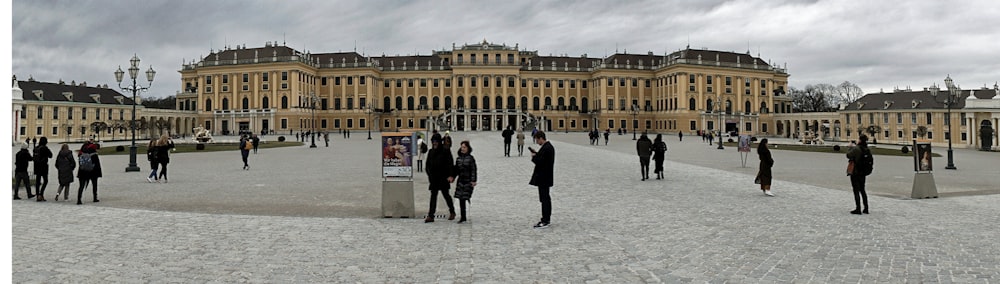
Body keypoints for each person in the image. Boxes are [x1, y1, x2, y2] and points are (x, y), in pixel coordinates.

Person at [424, 134, 456, 223]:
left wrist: (450, 175)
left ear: (439, 142)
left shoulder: (445, 151)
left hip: (443, 177)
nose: (434, 143)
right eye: (433, 142)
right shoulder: (431, 152)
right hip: (434, 178)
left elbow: (450, 164)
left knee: (446, 195)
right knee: (433, 196)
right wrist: (429, 175)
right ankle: (431, 215)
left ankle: (452, 211)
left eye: (436, 141)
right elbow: (427, 165)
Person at [529, 131, 555, 229]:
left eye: (537, 139)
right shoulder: (547, 147)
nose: (536, 142)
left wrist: (534, 157)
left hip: (544, 177)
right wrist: (537, 154)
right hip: (545, 177)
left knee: (545, 199)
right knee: (544, 198)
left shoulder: (547, 148)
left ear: (541, 138)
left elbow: (542, 162)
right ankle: (545, 218)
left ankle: (546, 220)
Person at [847, 135, 873, 215]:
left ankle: (858, 209)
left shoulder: (856, 149)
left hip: (856, 172)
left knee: (856, 190)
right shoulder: (867, 149)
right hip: (863, 173)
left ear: (860, 140)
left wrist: (850, 147)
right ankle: (866, 208)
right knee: (862, 190)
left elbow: (848, 155)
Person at [453, 140, 478, 224]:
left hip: (468, 181)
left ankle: (465, 215)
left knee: (465, 197)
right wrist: (452, 177)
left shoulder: (471, 159)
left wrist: (473, 180)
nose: (462, 149)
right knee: (461, 198)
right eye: (461, 147)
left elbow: (473, 170)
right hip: (460, 180)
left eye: (464, 147)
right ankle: (463, 217)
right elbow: (456, 170)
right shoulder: (458, 159)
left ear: (468, 148)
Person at [32, 137, 53, 201]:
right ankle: (41, 194)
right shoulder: (45, 148)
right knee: (45, 181)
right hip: (43, 166)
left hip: (36, 166)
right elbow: (51, 155)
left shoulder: (36, 148)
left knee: (38, 181)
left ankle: (38, 195)